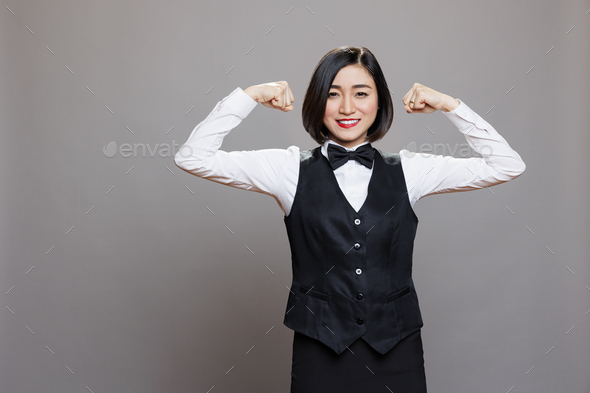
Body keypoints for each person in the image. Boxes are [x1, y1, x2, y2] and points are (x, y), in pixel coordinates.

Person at [174, 46, 526, 393]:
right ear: (317, 102)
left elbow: (507, 165)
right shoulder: (286, 170)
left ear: (378, 102)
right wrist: (248, 96)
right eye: (332, 94)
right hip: (319, 351)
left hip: (397, 350)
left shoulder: (413, 169)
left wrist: (451, 106)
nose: (347, 108)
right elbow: (192, 157)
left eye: (361, 93)